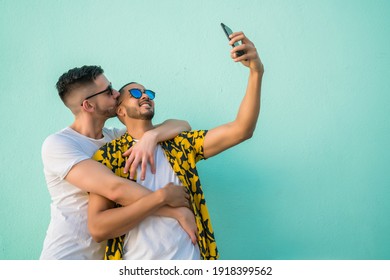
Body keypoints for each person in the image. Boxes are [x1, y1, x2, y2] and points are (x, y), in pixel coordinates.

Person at [88, 31, 264, 260]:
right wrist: (161, 198)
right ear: (120, 110)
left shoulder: (179, 144)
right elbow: (99, 228)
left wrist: (256, 72)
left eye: (148, 92)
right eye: (135, 92)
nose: (145, 95)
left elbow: (242, 130)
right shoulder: (109, 156)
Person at [40, 65, 196, 260]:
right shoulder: (59, 144)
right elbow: (115, 188)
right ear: (88, 106)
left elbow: (181, 126)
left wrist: (151, 137)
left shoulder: (114, 138)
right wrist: (174, 210)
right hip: (67, 257)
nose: (116, 94)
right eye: (108, 91)